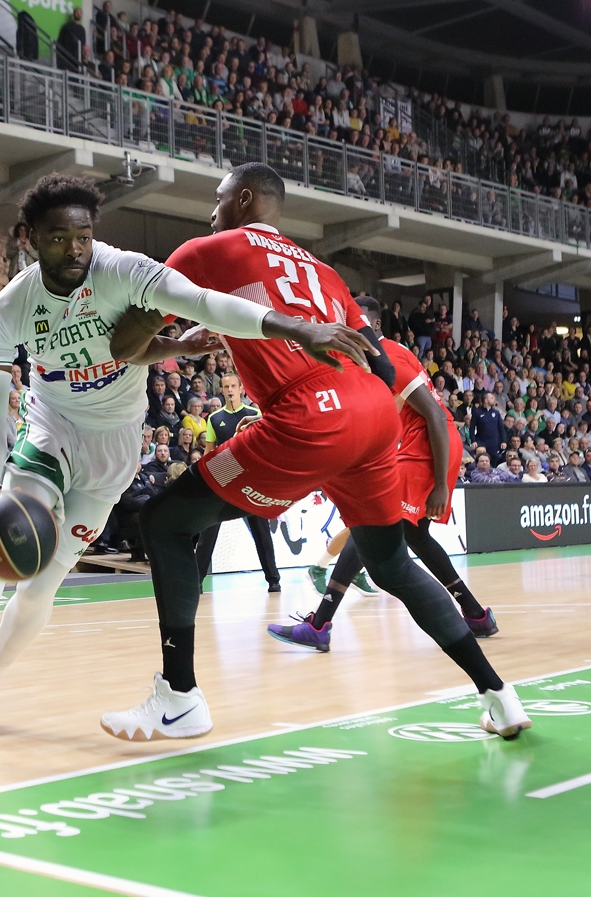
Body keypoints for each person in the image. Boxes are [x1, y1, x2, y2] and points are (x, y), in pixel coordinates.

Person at [0, 171, 343, 761]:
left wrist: (290, 326)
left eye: (83, 237)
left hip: (113, 449)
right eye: (59, 239)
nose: (75, 250)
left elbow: (204, 303)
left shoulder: (124, 270)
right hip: (50, 427)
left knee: (40, 588)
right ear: (30, 239)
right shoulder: (9, 308)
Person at [99, 163, 530, 743]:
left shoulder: (211, 248)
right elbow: (380, 358)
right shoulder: (324, 271)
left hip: (308, 415)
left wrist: (155, 343)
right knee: (392, 563)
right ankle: (500, 696)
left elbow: (125, 341)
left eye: (219, 197)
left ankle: (177, 698)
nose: (211, 208)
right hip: (376, 415)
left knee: (165, 519)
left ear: (244, 199)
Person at [268, 296, 497, 652]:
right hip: (424, 447)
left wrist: (438, 484)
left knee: (367, 523)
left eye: (354, 322)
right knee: (415, 537)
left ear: (374, 326)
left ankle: (320, 623)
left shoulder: (388, 355)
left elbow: (436, 417)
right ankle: (475, 614)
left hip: (428, 449)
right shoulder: (377, 357)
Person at [195, 372, 280, 592]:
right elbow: (208, 452)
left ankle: (273, 580)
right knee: (208, 531)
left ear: (241, 389)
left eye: (234, 386)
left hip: (249, 477)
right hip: (224, 473)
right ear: (221, 390)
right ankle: (196, 580)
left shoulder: (254, 414)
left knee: (261, 532)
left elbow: (266, 446)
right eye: (226, 387)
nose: (230, 390)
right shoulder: (213, 418)